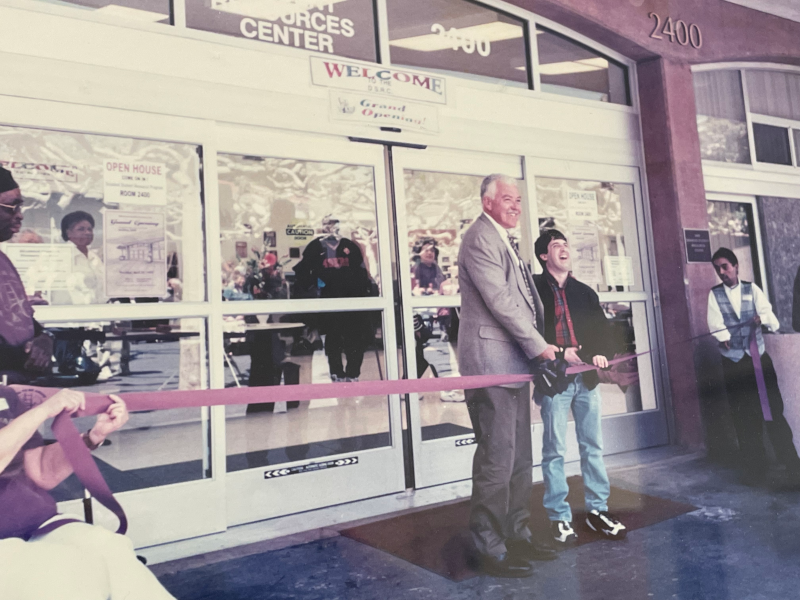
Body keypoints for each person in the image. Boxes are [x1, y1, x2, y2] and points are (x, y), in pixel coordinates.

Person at [458, 173, 558, 578]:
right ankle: (489, 548)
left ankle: (516, 537)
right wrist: (538, 345)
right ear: (487, 203)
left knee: (520, 459)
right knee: (497, 461)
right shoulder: (480, 238)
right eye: (508, 199)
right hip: (491, 366)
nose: (517, 205)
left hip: (514, 365)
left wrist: (541, 347)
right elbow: (499, 301)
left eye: (518, 200)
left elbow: (524, 301)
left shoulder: (504, 239)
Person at [0, 386, 176, 600]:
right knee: (63, 572)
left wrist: (93, 436)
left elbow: (41, 471)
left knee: (110, 548)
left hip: (36, 524)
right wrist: (42, 411)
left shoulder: (5, 396)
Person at [532, 229, 627, 545]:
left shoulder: (585, 292)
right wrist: (559, 352)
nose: (563, 248)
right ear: (544, 256)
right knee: (554, 450)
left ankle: (598, 510)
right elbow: (527, 333)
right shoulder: (534, 290)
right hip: (554, 379)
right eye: (555, 245)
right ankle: (559, 517)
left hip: (586, 380)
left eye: (565, 244)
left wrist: (600, 353)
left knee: (592, 446)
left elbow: (602, 330)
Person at [708, 247, 800, 486]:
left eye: (725, 266)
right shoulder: (714, 295)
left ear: (736, 266)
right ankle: (755, 470)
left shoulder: (753, 289)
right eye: (717, 268)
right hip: (734, 364)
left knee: (773, 413)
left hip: (758, 361)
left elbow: (772, 317)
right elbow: (715, 324)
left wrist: (761, 319)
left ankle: (793, 468)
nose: (722, 272)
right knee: (743, 417)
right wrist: (724, 336)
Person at [294, 214, 375, 382]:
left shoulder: (349, 246)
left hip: (351, 303)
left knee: (354, 339)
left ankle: (353, 373)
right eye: (328, 224)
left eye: (334, 223)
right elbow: (302, 272)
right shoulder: (315, 247)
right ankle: (336, 372)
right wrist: (315, 285)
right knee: (333, 339)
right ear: (323, 226)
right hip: (328, 302)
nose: (331, 227)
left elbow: (361, 273)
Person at [0, 166, 54, 384]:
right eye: (12, 207)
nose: (19, 215)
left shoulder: (3, 261)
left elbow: (20, 319)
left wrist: (44, 338)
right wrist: (23, 357)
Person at [55, 210, 107, 306]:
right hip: (74, 316)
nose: (87, 232)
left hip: (100, 315)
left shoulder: (95, 258)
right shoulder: (60, 257)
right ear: (68, 233)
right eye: (81, 229)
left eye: (90, 229)